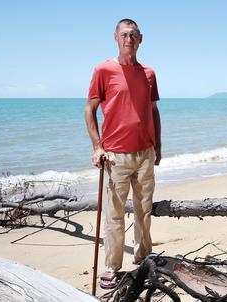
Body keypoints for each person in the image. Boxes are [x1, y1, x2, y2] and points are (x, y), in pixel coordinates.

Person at [84, 18, 162, 289]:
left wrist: (158, 146)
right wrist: (97, 147)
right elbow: (89, 110)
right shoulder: (103, 70)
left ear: (141, 38)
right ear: (115, 37)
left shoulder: (149, 73)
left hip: (145, 154)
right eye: (124, 34)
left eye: (134, 35)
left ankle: (143, 257)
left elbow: (153, 111)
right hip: (115, 156)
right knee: (114, 215)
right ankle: (111, 266)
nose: (129, 39)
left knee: (144, 211)